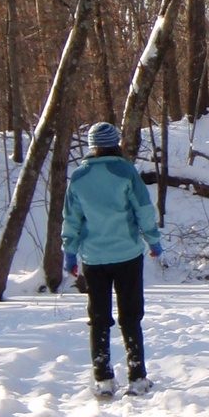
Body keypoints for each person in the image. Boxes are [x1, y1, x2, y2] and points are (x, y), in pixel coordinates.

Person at [62, 121, 163, 397]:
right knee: (130, 315)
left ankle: (103, 378)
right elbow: (143, 209)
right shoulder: (126, 172)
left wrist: (70, 253)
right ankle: (137, 377)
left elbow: (71, 219)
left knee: (99, 317)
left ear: (92, 146)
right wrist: (153, 241)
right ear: (116, 143)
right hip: (127, 254)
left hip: (93, 258)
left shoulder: (79, 178)